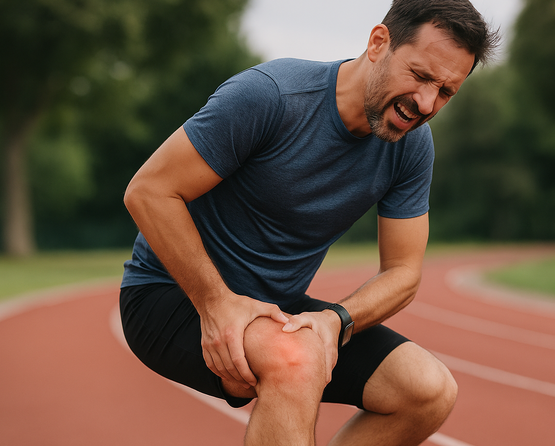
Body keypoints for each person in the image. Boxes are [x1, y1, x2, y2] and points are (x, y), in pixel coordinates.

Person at [119, 0, 499, 444]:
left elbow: (404, 273)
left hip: (277, 309)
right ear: (379, 43)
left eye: (446, 92)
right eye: (420, 76)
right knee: (295, 359)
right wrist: (217, 304)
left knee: (427, 391)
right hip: (171, 296)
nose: (427, 103)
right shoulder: (271, 96)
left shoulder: (411, 146)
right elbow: (148, 191)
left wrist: (337, 320)